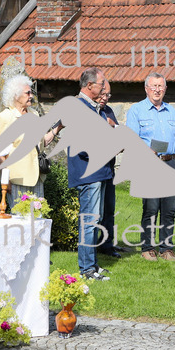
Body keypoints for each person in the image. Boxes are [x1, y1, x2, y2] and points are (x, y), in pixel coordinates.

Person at [127, 73, 175, 262]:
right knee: (151, 208)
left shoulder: (171, 111)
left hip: (170, 163)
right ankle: (147, 247)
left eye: (160, 86)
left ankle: (166, 248)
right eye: (153, 86)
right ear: (146, 89)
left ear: (165, 89)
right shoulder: (136, 110)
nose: (157, 90)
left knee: (170, 209)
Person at [67, 67, 112, 280]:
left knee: (96, 220)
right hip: (89, 173)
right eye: (101, 84)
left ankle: (92, 265)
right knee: (89, 221)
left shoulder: (94, 108)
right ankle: (86, 269)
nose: (104, 87)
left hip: (99, 172)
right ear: (89, 86)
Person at [0, 75, 61, 204]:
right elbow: (0, 152)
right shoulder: (5, 117)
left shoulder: (34, 114)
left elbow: (41, 144)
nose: (31, 96)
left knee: (38, 218)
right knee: (20, 218)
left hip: (37, 177)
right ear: (16, 95)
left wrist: (58, 127)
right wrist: (6, 180)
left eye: (31, 92)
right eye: (27, 93)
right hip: (17, 179)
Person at [96, 80, 121, 259]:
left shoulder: (108, 111)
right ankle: (91, 246)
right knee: (94, 212)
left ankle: (107, 244)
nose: (105, 98)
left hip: (109, 168)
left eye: (108, 95)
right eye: (103, 94)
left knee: (109, 209)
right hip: (93, 169)